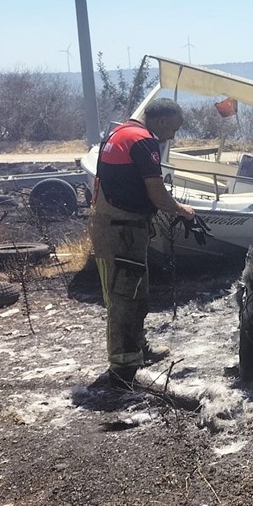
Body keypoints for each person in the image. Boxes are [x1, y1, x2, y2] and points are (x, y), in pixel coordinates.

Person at [88, 98, 196, 390]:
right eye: (173, 129)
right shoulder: (143, 141)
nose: (172, 136)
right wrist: (181, 210)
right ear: (161, 121)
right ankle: (123, 368)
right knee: (126, 295)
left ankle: (136, 349)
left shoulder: (119, 133)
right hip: (122, 230)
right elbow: (158, 194)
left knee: (132, 291)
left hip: (110, 225)